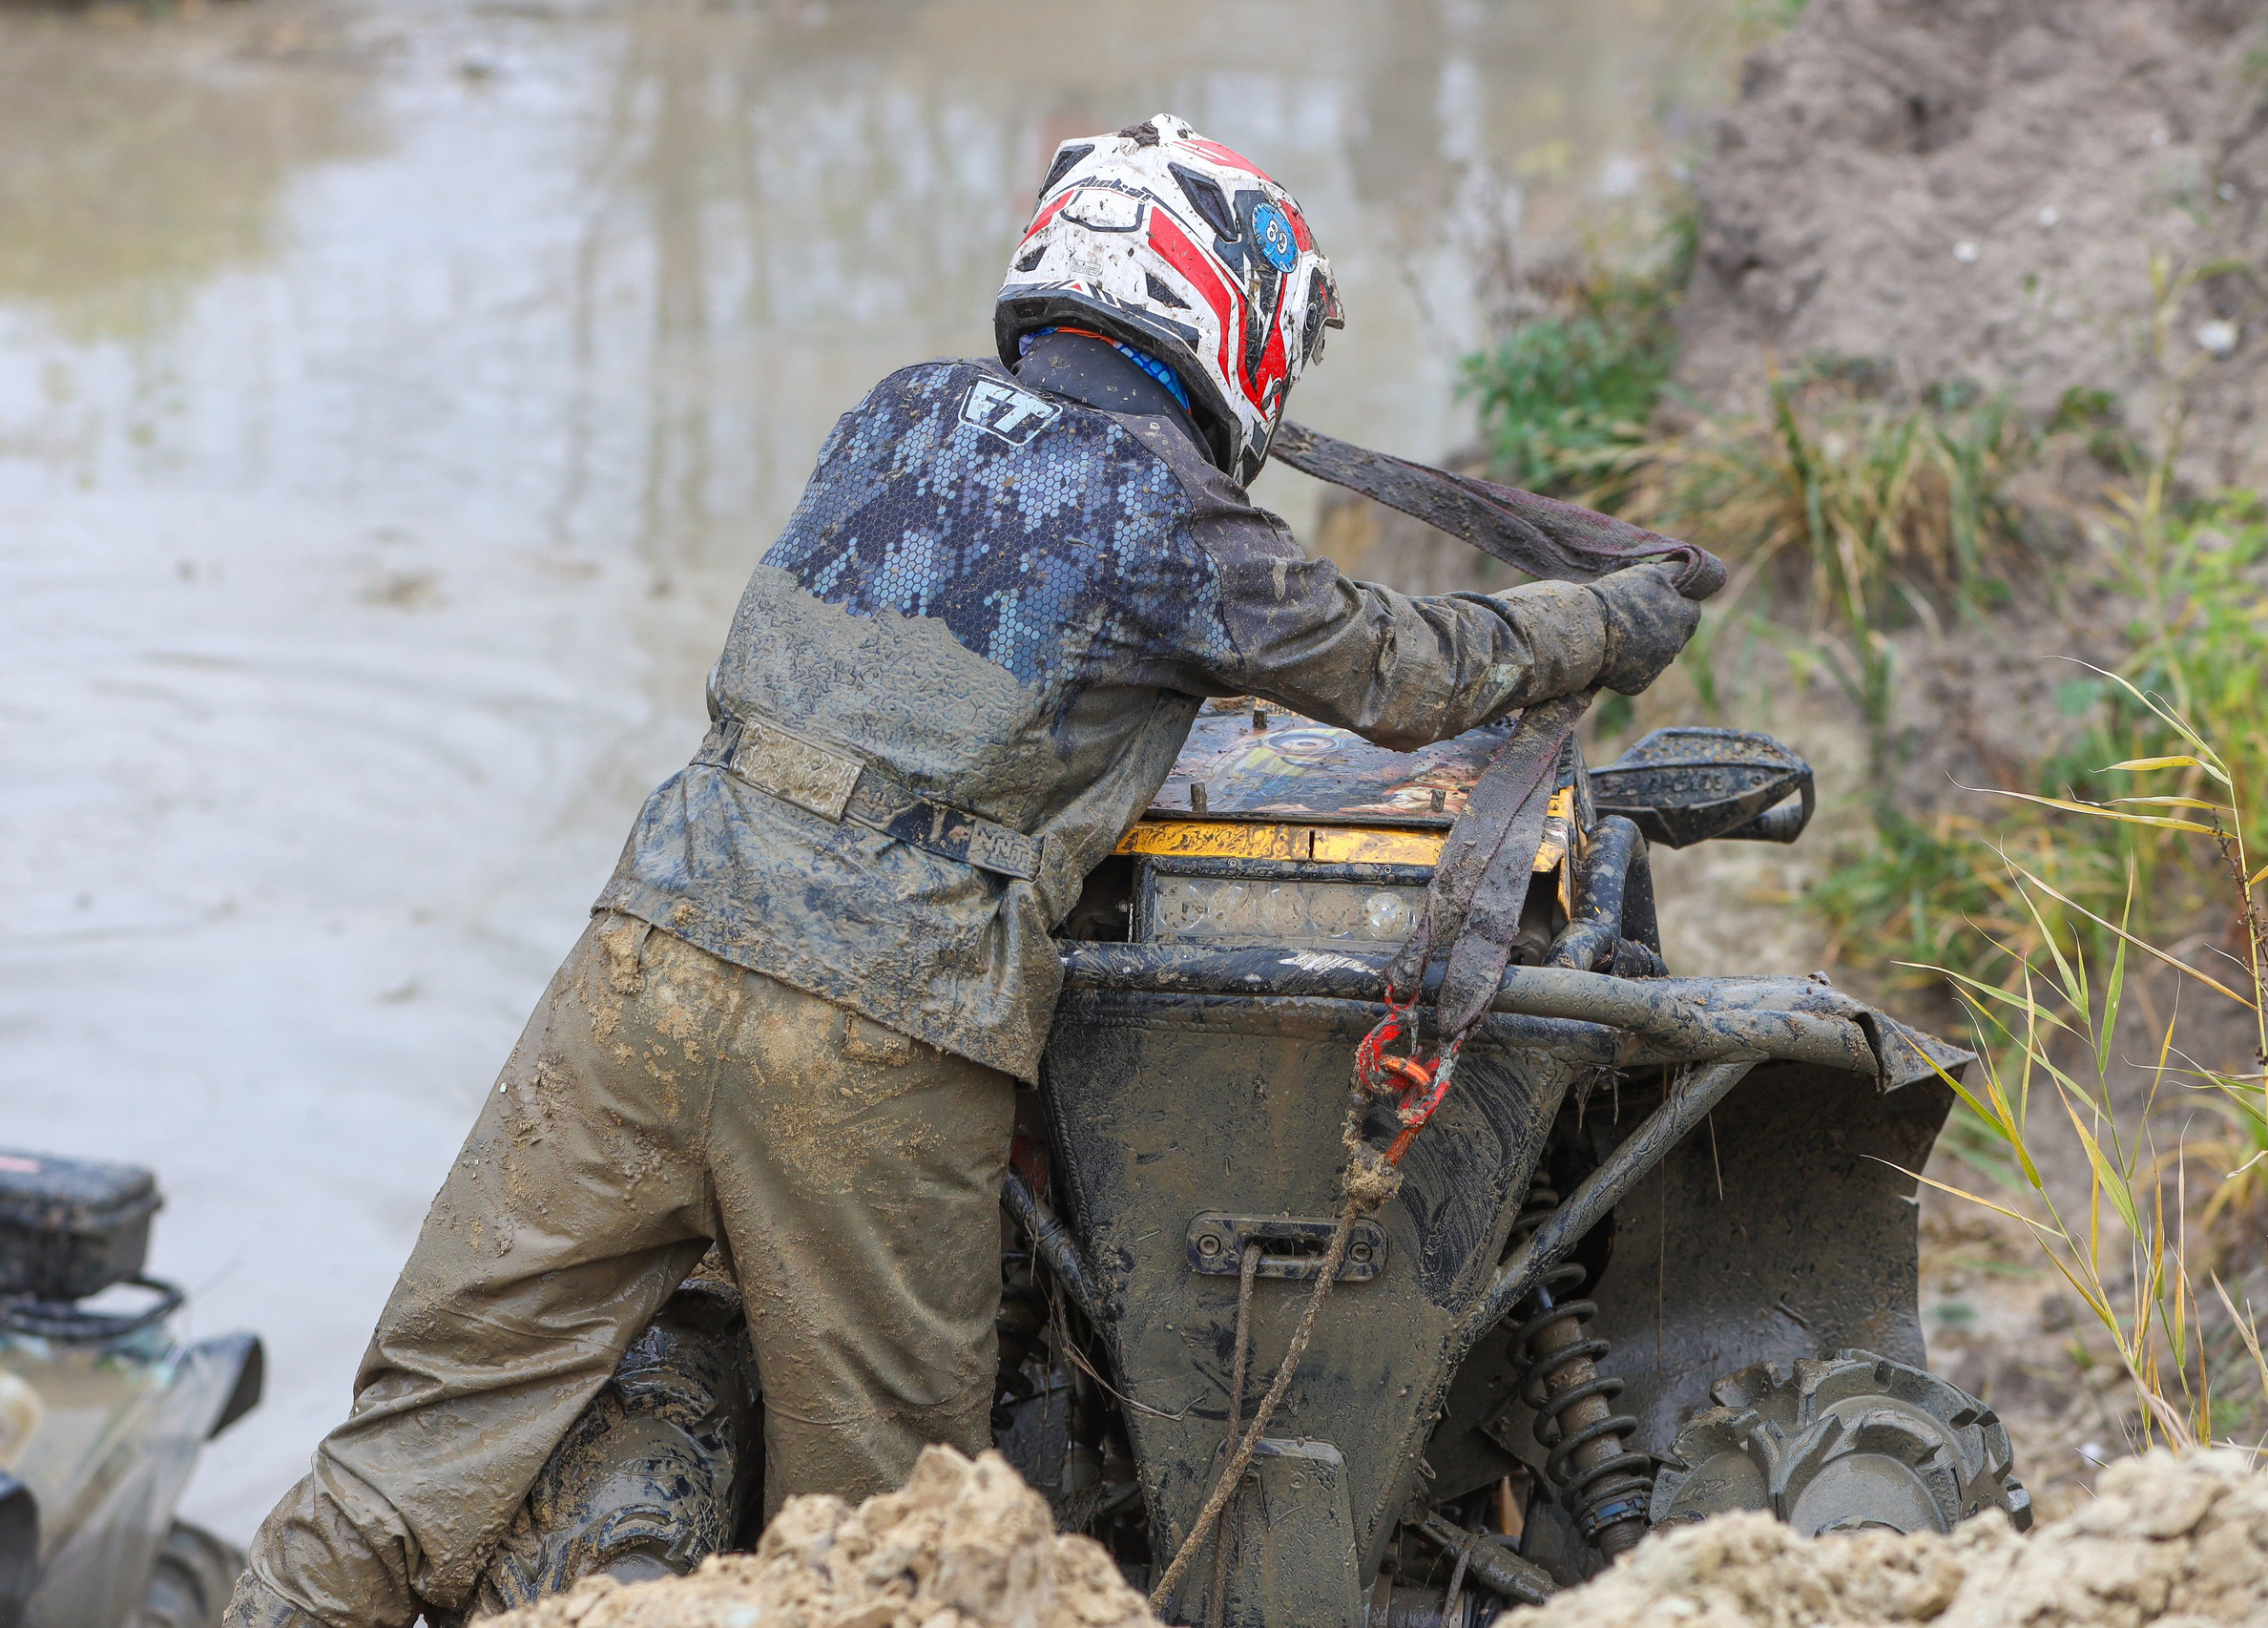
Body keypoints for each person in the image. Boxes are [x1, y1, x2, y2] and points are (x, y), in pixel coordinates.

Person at [226, 115, 1704, 1628]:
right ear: (1224, 317)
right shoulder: (1173, 512)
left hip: (642, 957)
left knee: (409, 1452)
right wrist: (1608, 621)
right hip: (878, 1031)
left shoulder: (892, 416)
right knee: (886, 1550)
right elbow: (1400, 668)